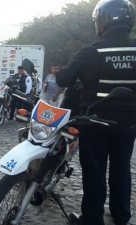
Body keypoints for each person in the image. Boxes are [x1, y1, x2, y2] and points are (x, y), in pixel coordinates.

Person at [56, 0, 136, 224]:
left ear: (101, 21)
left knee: (95, 172)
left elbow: (63, 79)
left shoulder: (91, 51)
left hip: (94, 122)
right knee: (122, 170)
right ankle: (121, 217)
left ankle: (92, 219)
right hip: (129, 124)